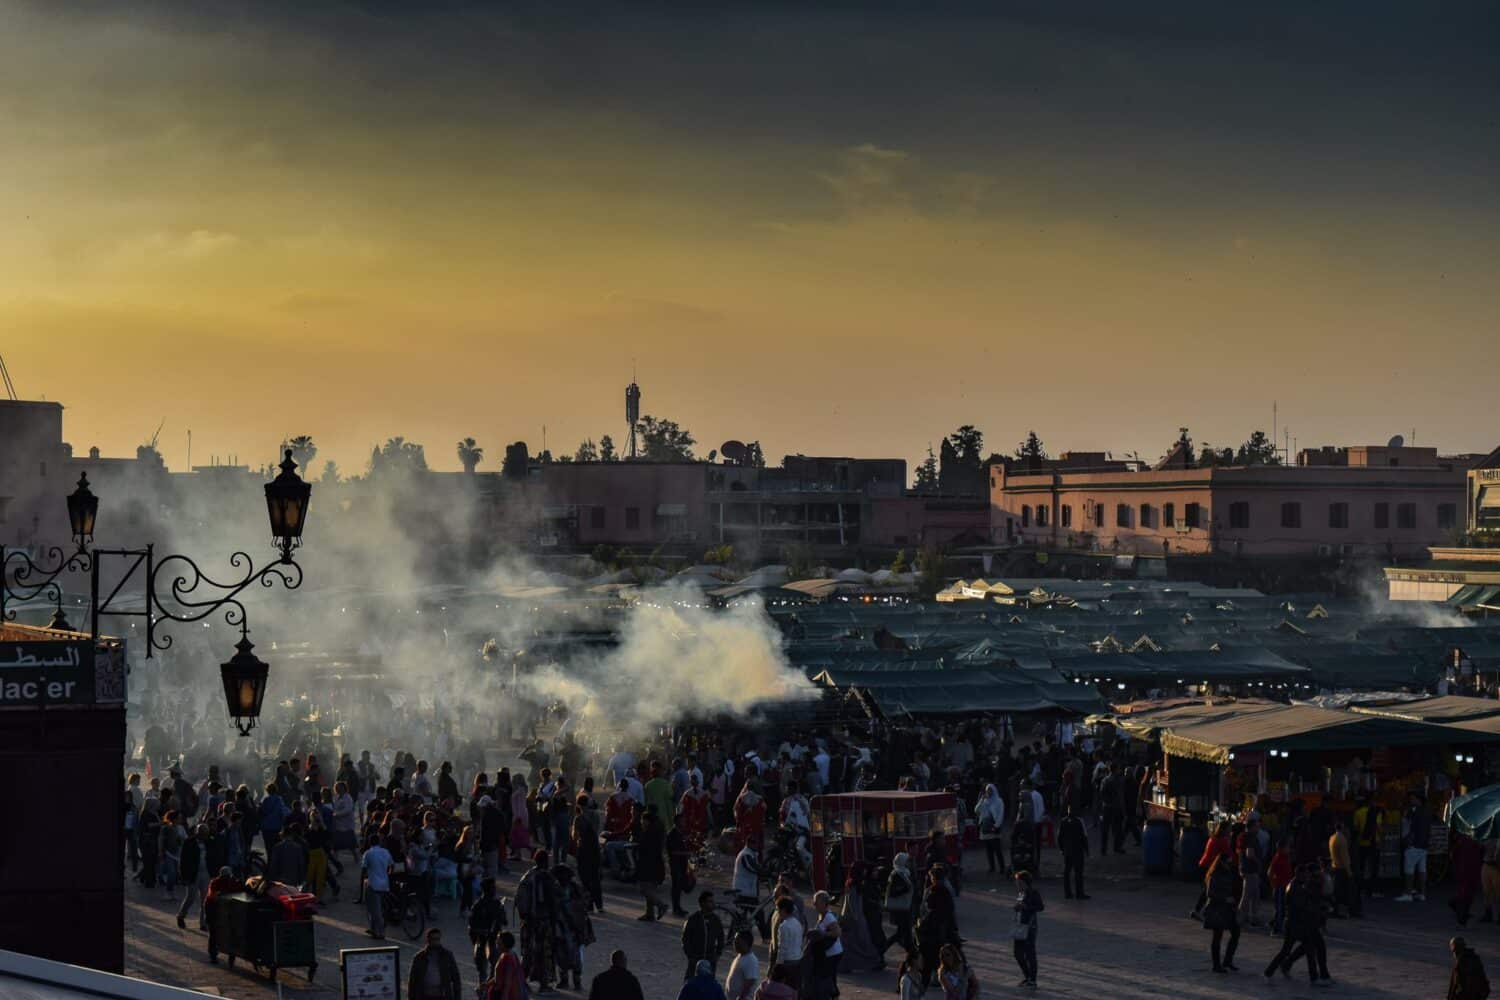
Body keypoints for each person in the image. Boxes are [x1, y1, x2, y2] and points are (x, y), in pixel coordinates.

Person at [516, 849, 561, 994]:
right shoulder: (546, 877)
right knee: (544, 954)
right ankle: (544, 984)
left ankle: (521, 982)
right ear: (544, 862)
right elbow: (551, 901)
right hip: (542, 922)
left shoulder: (527, 876)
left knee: (528, 953)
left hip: (527, 922)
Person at [1203, 854, 1242, 974]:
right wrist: (1225, 899)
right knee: (1217, 937)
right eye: (1227, 863)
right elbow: (1210, 893)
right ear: (1221, 863)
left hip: (1228, 909)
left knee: (1236, 933)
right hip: (1216, 909)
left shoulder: (1229, 874)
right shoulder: (1214, 875)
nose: (1230, 865)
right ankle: (1216, 965)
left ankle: (1227, 960)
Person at [807, 889, 844, 1000]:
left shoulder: (828, 916)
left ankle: (833, 996)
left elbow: (837, 932)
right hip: (830, 953)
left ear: (824, 903)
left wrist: (823, 934)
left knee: (827, 978)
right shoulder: (822, 915)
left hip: (833, 953)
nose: (814, 905)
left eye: (816, 903)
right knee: (829, 977)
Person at [682, 890, 727, 981]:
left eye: (713, 901)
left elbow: (721, 937)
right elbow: (685, 939)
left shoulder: (715, 920)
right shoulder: (693, 919)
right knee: (690, 983)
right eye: (710, 901)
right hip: (695, 958)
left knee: (708, 984)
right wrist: (690, 956)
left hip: (710, 959)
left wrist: (718, 954)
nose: (713, 904)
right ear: (702, 903)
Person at [469, 877, 508, 979]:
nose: (494, 890)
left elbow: (504, 922)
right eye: (493, 888)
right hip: (487, 941)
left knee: (488, 971)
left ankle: (487, 991)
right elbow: (472, 927)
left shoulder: (479, 905)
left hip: (488, 941)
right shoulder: (487, 905)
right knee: (488, 971)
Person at [408, 927, 462, 1000]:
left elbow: (456, 978)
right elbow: (412, 981)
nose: (436, 942)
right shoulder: (419, 958)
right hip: (424, 996)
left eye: (438, 939)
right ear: (428, 940)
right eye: (433, 939)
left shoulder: (447, 956)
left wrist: (457, 997)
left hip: (443, 996)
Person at [175, 823, 212, 930]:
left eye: (206, 833)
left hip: (205, 873)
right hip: (193, 874)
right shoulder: (189, 843)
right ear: (197, 832)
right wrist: (184, 876)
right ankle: (181, 915)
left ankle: (203, 923)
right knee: (190, 897)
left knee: (205, 899)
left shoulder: (209, 842)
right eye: (202, 833)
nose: (205, 836)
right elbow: (183, 861)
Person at [1397, 792, 1431, 903]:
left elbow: (1412, 829)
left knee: (1409, 870)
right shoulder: (1426, 811)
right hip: (1424, 844)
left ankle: (1408, 893)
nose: (1411, 801)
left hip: (1414, 844)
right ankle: (1422, 893)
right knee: (1422, 870)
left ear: (1418, 800)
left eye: (1413, 799)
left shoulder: (1414, 812)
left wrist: (1408, 842)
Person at [1012, 869, 1043, 990]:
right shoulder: (1020, 893)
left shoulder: (1033, 893)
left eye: (1019, 882)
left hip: (1029, 927)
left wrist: (1026, 907)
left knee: (1030, 954)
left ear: (1025, 882)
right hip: (1019, 926)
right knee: (1017, 953)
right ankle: (1027, 976)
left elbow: (1040, 907)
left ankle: (1033, 980)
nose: (1017, 884)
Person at [636, 809, 669, 922]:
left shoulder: (649, 833)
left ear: (647, 821)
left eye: (642, 820)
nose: (641, 822)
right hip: (656, 863)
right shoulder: (656, 831)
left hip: (649, 864)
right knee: (650, 888)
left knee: (644, 889)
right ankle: (649, 914)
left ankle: (661, 905)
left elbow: (646, 850)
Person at [361, 833, 394, 939]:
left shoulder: (368, 853)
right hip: (384, 884)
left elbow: (364, 869)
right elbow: (391, 865)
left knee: (374, 910)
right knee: (377, 908)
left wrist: (365, 878)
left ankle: (380, 932)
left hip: (373, 884)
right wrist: (387, 874)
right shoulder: (386, 852)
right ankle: (373, 929)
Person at [770, 896, 805, 991]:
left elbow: (782, 948)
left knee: (784, 989)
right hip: (797, 959)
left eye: (778, 909)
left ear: (783, 910)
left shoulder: (783, 926)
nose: (777, 912)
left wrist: (777, 965)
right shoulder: (797, 923)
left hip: (787, 962)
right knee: (793, 989)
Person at [885, 852, 917, 953]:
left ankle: (911, 951)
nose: (908, 863)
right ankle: (912, 953)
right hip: (900, 908)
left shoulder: (904, 872)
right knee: (904, 932)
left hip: (905, 906)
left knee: (902, 932)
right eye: (906, 861)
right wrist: (905, 889)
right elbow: (892, 892)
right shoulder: (897, 874)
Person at [1057, 803, 1089, 900]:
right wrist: (1087, 850)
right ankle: (1079, 893)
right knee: (1078, 872)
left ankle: (1067, 893)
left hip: (1067, 851)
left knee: (1067, 872)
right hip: (1078, 850)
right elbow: (1084, 837)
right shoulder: (1079, 821)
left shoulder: (1063, 821)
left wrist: (1062, 849)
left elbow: (1059, 837)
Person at [1239, 814, 1264, 926]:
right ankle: (1241, 917)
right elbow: (1249, 854)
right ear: (1252, 827)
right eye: (1257, 826)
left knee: (1254, 894)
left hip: (1248, 868)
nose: (1258, 829)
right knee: (1248, 894)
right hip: (1250, 869)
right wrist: (1258, 862)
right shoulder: (1249, 837)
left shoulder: (1245, 836)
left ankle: (1253, 916)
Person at [976, 783, 1006, 875]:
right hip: (985, 827)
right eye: (987, 790)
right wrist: (981, 800)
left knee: (997, 849)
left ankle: (1002, 867)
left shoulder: (998, 801)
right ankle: (992, 867)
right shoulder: (985, 801)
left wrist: (997, 826)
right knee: (988, 849)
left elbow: (1000, 814)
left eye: (990, 790)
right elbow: (976, 810)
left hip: (994, 827)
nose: (988, 792)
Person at [487, 932, 526, 1000]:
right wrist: (487, 984)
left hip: (505, 994)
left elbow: (508, 979)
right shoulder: (508, 954)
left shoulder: (508, 958)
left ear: (504, 943)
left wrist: (505, 995)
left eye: (498, 939)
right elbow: (499, 976)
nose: (496, 941)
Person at [669, 812, 694, 917]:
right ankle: (676, 908)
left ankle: (677, 907)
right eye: (682, 820)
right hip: (675, 864)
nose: (684, 822)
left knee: (683, 884)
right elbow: (672, 851)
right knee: (677, 887)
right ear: (677, 821)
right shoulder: (672, 834)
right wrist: (686, 853)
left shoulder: (681, 833)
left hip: (682, 863)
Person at [1449, 936, 1490, 1000]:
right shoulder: (1472, 959)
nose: (1454, 953)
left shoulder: (1463, 962)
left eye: (1454, 950)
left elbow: (1461, 985)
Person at [1268, 840, 1294, 935]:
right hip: (1280, 886)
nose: (1289, 849)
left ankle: (1276, 923)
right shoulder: (1277, 858)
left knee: (1282, 908)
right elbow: (1270, 873)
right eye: (1287, 847)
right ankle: (1276, 928)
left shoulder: (1286, 857)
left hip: (1285, 885)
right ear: (1281, 848)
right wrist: (1273, 884)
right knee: (1280, 908)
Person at [725, 930, 760, 1000]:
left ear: (746, 942)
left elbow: (750, 981)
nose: (734, 943)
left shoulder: (751, 960)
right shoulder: (740, 956)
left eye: (737, 941)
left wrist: (741, 997)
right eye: (735, 940)